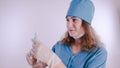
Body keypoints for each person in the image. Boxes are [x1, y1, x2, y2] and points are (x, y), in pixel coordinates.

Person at [26, 0, 107, 68]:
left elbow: (52, 60)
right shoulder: (59, 46)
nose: (69, 25)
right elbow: (43, 64)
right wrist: (35, 63)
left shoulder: (98, 53)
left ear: (86, 24)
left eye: (74, 20)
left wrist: (53, 60)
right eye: (67, 20)